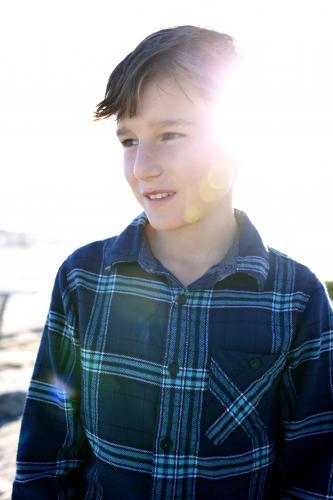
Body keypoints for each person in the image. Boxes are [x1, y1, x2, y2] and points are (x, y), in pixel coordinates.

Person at [12, 25, 333, 499]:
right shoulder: (83, 280)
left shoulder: (297, 296)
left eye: (171, 135)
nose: (142, 166)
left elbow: (313, 478)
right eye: (128, 141)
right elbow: (45, 460)